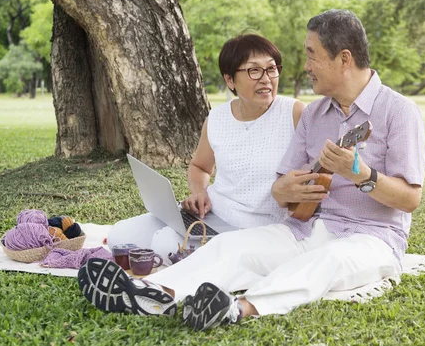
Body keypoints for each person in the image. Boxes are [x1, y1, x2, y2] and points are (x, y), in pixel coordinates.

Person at [78, 9, 425, 330]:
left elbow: (410, 199)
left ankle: (237, 308)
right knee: (232, 247)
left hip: (372, 238)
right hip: (307, 228)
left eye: (311, 54)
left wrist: (362, 176)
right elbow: (280, 189)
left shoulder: (398, 112)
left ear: (344, 59)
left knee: (327, 261)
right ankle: (151, 292)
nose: (305, 65)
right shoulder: (316, 115)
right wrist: (288, 191)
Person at [106, 33, 305, 262]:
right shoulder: (218, 117)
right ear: (230, 80)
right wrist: (199, 192)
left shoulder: (295, 113)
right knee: (119, 236)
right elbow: (200, 166)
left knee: (164, 245)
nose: (266, 78)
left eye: (271, 69)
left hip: (253, 227)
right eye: (254, 70)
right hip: (209, 214)